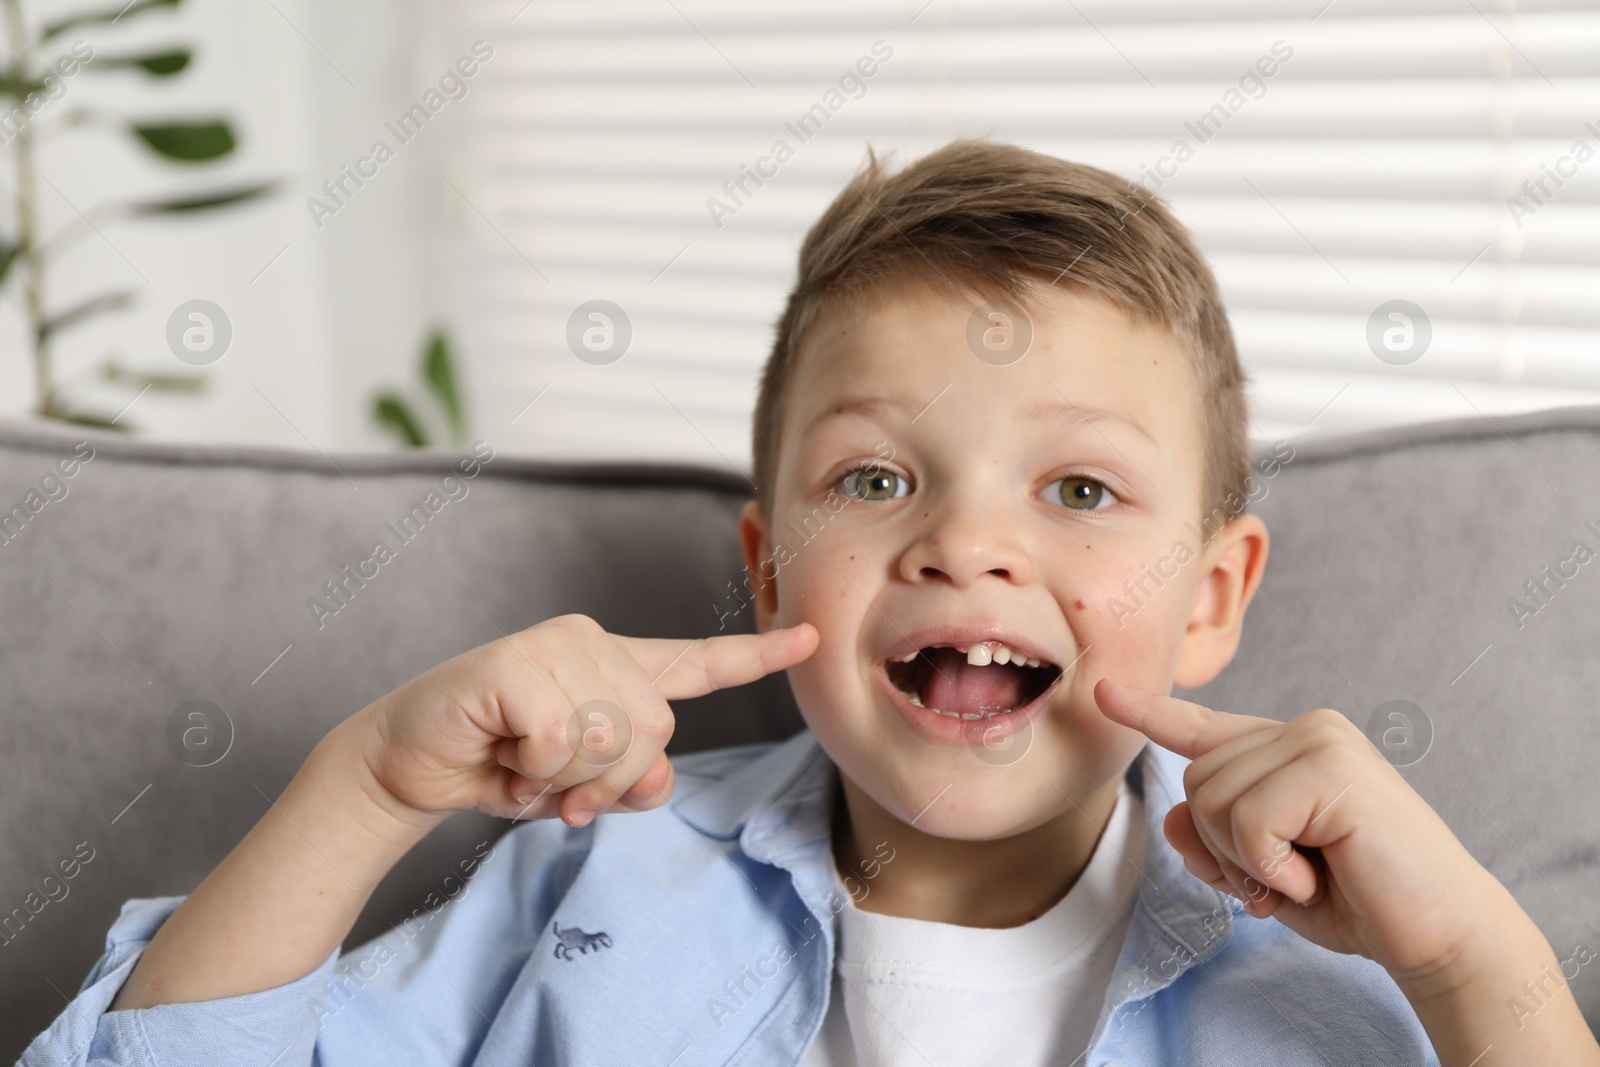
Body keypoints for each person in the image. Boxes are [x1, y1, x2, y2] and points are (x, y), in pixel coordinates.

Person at [22, 139, 1599, 1066]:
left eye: (1077, 491)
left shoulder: (1347, 947)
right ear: (770, 570)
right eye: (876, 481)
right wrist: (364, 785)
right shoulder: (593, 884)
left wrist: (1472, 962)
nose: (965, 548)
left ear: (1210, 599)